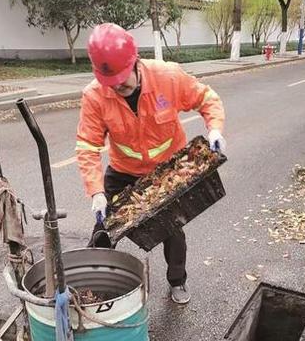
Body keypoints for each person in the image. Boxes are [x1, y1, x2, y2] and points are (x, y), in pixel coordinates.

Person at [75, 23, 226, 305]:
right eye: (112, 83)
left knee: (173, 228)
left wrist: (214, 128)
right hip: (123, 172)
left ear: (135, 61)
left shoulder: (167, 77)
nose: (118, 87)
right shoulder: (95, 95)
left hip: (169, 169)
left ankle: (177, 281)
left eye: (123, 79)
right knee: (104, 228)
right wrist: (96, 192)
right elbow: (87, 146)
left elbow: (206, 98)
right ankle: (90, 284)